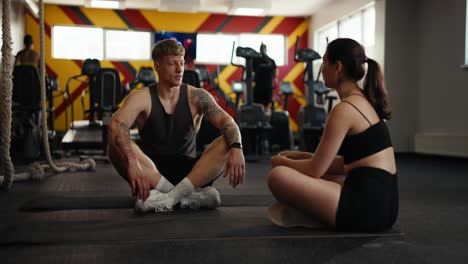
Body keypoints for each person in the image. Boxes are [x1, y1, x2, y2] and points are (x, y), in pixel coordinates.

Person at [266, 38, 398, 232]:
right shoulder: (364, 100)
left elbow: (314, 170)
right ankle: (316, 212)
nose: (321, 70)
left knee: (277, 176)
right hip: (385, 208)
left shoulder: (344, 110)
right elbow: (347, 162)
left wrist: (281, 162)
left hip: (367, 209)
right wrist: (302, 156)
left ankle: (315, 215)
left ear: (337, 67)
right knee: (322, 174)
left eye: (325, 62)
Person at [107, 39, 246, 213]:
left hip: (190, 174)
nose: (180, 69)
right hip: (153, 173)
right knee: (114, 144)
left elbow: (228, 122)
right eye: (173, 64)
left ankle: (169, 199)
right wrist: (133, 163)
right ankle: (187, 198)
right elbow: (116, 125)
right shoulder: (141, 97)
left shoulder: (197, 96)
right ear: (157, 67)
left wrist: (237, 147)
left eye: (181, 63)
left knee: (229, 140)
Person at [252, 43, 277, 111]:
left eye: (263, 49)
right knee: (258, 105)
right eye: (261, 49)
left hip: (266, 87)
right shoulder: (255, 60)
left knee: (265, 106)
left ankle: (264, 119)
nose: (262, 50)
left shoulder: (271, 61)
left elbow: (274, 74)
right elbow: (274, 75)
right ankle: (261, 118)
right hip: (261, 87)